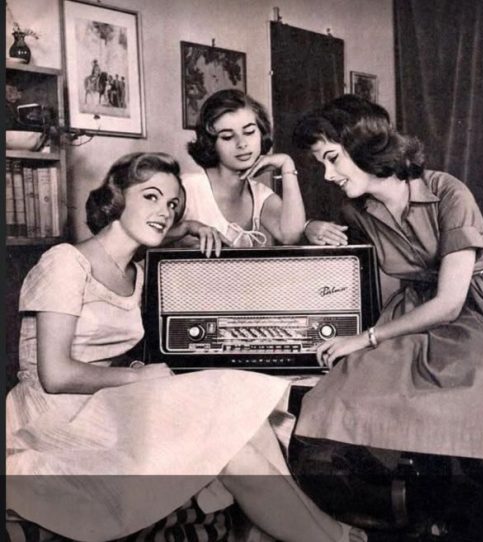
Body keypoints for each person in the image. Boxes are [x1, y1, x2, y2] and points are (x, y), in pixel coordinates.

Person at [5, 152, 364, 542]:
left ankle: (325, 533)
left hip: (105, 404)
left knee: (240, 418)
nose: (164, 211)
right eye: (151, 196)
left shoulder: (137, 272)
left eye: (173, 204)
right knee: (231, 444)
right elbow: (55, 375)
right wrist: (138, 378)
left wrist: (188, 226)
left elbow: (150, 239)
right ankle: (331, 537)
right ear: (117, 197)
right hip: (52, 418)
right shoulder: (65, 262)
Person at [291, 94, 483, 461]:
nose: (327, 175)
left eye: (332, 158)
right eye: (321, 164)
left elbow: (449, 304)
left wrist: (366, 338)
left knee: (466, 401)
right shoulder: (355, 211)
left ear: (364, 145)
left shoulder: (449, 192)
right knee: (338, 397)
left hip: (472, 310)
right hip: (408, 313)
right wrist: (309, 226)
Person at [171, 89, 344, 254]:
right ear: (210, 144)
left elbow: (290, 235)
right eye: (227, 137)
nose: (242, 143)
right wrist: (186, 227)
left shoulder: (260, 194)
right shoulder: (186, 187)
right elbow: (152, 239)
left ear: (261, 134)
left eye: (249, 132)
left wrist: (287, 164)